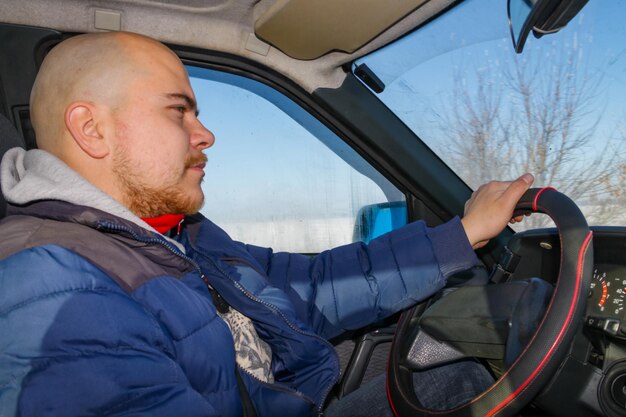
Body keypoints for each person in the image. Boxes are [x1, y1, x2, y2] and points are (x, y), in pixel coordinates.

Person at [0, 32, 534, 417]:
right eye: (178, 111)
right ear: (91, 129)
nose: (205, 134)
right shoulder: (51, 289)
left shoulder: (177, 235)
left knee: (452, 376)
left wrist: (461, 235)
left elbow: (314, 285)